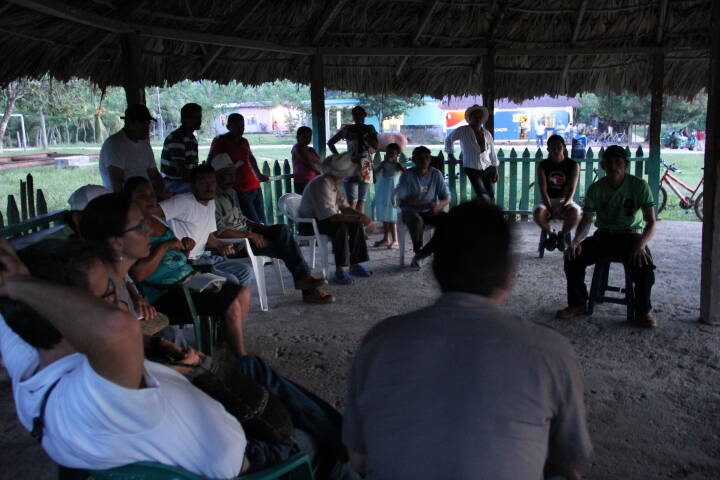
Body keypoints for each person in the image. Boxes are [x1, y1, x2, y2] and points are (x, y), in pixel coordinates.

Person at [0, 239, 359, 479]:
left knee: (250, 367)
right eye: (109, 296)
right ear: (71, 315)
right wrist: (15, 285)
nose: (122, 303)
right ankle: (349, 452)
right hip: (262, 463)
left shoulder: (33, 359)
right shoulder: (93, 398)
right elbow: (116, 327)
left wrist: (17, 282)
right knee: (319, 440)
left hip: (215, 440)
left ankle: (344, 438)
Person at [343, 201, 593, 480]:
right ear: (510, 275)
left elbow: (358, 457)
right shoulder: (550, 351)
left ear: (435, 269)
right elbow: (570, 462)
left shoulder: (380, 342)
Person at [118, 177, 253, 358]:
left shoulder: (158, 221)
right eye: (143, 196)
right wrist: (165, 246)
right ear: (129, 199)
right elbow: (139, 274)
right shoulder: (129, 231)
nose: (150, 199)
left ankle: (227, 343)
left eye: (151, 194)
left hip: (191, 279)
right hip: (168, 293)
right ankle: (239, 356)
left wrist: (185, 249)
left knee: (242, 292)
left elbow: (177, 259)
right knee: (230, 303)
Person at [209, 154, 335, 305]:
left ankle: (305, 282)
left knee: (282, 230)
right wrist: (250, 235)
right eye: (226, 174)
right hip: (236, 244)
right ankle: (308, 289)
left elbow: (241, 219)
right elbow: (219, 232)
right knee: (286, 247)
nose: (231, 178)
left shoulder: (231, 192)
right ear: (215, 176)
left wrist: (258, 227)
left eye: (233, 174)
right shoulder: (211, 199)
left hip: (247, 232)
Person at [558, 145, 657, 328]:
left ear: (625, 165)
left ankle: (642, 311)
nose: (613, 166)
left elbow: (651, 221)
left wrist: (641, 245)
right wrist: (576, 241)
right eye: (609, 162)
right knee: (572, 257)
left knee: (644, 265)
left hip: (631, 236)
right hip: (604, 235)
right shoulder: (596, 188)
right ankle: (578, 303)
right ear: (603, 165)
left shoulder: (639, 186)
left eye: (618, 161)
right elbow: (587, 220)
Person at [158, 164, 254, 288]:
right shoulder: (182, 201)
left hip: (204, 258)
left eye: (212, 182)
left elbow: (208, 235)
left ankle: (236, 303)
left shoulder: (210, 202)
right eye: (203, 182)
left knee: (245, 271)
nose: (209, 186)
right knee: (230, 281)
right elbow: (154, 214)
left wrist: (220, 245)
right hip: (186, 261)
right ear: (193, 185)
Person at [298, 153, 375, 285]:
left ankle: (354, 264)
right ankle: (340, 271)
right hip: (309, 224)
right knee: (341, 228)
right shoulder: (322, 183)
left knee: (355, 224)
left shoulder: (334, 182)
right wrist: (359, 218)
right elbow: (332, 217)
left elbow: (344, 206)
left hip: (323, 219)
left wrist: (360, 217)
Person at [209, 113, 269, 224]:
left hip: (254, 185)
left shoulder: (244, 141)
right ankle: (254, 241)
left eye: (242, 125)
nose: (240, 129)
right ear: (228, 127)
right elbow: (211, 160)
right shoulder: (220, 141)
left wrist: (259, 175)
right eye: (236, 126)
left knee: (262, 219)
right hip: (239, 189)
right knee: (252, 221)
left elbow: (250, 158)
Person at [396, 146, 450, 270]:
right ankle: (418, 250)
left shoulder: (436, 174)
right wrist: (419, 201)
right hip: (411, 211)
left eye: (427, 158)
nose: (424, 160)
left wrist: (438, 206)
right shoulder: (407, 175)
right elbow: (401, 200)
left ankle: (422, 254)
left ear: (430, 159)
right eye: (420, 158)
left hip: (430, 211)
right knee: (416, 220)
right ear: (414, 160)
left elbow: (447, 197)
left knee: (449, 222)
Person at [98, 104, 167, 195]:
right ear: (130, 123)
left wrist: (162, 191)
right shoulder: (115, 144)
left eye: (148, 124)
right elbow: (118, 185)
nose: (147, 128)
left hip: (146, 195)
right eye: (143, 124)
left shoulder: (144, 142)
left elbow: (154, 174)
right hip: (125, 200)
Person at [534, 135, 581, 252]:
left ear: (564, 147)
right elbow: (543, 189)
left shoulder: (573, 165)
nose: (556, 150)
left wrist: (564, 205)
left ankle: (562, 235)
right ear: (548, 149)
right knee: (537, 213)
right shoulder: (543, 165)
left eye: (559, 147)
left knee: (576, 213)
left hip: (565, 199)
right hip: (548, 200)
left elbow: (571, 189)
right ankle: (552, 234)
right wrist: (549, 208)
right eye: (552, 147)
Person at [327, 106, 379, 214]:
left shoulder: (368, 128)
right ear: (353, 116)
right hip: (357, 164)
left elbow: (375, 145)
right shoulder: (349, 129)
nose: (358, 116)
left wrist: (366, 136)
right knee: (353, 201)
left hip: (362, 165)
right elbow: (330, 142)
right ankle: (353, 226)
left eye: (360, 114)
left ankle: (359, 226)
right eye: (356, 114)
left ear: (364, 115)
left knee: (361, 200)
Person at [444, 104, 498, 202]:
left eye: (480, 117)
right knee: (482, 193)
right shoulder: (463, 130)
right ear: (470, 118)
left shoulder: (486, 133)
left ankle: (489, 214)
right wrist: (450, 155)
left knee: (490, 193)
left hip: (487, 167)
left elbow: (492, 152)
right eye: (475, 117)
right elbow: (448, 139)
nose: (478, 119)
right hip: (472, 167)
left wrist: (495, 168)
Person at [160, 103, 202, 193]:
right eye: (196, 118)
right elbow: (181, 171)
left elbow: (193, 166)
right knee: (202, 190)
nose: (200, 121)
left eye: (200, 117)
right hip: (172, 182)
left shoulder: (192, 139)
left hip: (183, 181)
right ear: (185, 119)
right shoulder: (177, 138)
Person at [372, 143, 404, 248]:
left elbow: (406, 175)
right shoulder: (383, 163)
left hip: (393, 192)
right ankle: (386, 238)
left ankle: (395, 240)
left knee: (392, 216)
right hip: (383, 191)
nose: (389, 155)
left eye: (392, 153)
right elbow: (375, 171)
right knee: (384, 215)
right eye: (388, 152)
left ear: (397, 154)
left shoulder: (397, 165)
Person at [291, 126, 321, 194]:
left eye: (309, 136)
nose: (307, 139)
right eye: (304, 137)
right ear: (298, 137)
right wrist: (319, 172)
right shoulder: (296, 148)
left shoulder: (311, 149)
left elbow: (319, 161)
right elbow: (307, 162)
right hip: (302, 181)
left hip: (313, 179)